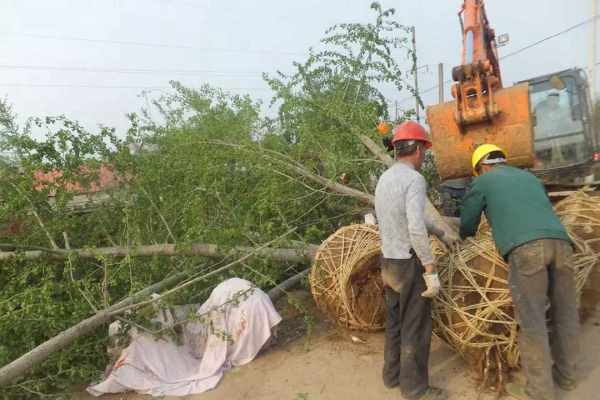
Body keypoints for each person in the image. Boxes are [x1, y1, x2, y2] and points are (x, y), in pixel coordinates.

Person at [459, 144, 579, 400]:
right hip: (562, 244)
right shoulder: (529, 177)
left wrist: (465, 237)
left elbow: (468, 221)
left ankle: (540, 392)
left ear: (481, 167)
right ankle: (567, 376)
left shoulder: (484, 182)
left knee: (532, 321)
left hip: (527, 250)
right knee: (565, 313)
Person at [374, 121, 446, 400]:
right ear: (416, 149)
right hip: (408, 264)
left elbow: (401, 217)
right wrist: (429, 268)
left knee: (394, 324)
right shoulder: (414, 179)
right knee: (415, 327)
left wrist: (440, 231)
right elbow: (415, 226)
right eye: (424, 149)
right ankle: (416, 390)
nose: (425, 155)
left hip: (388, 262)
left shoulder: (385, 178)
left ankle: (391, 376)